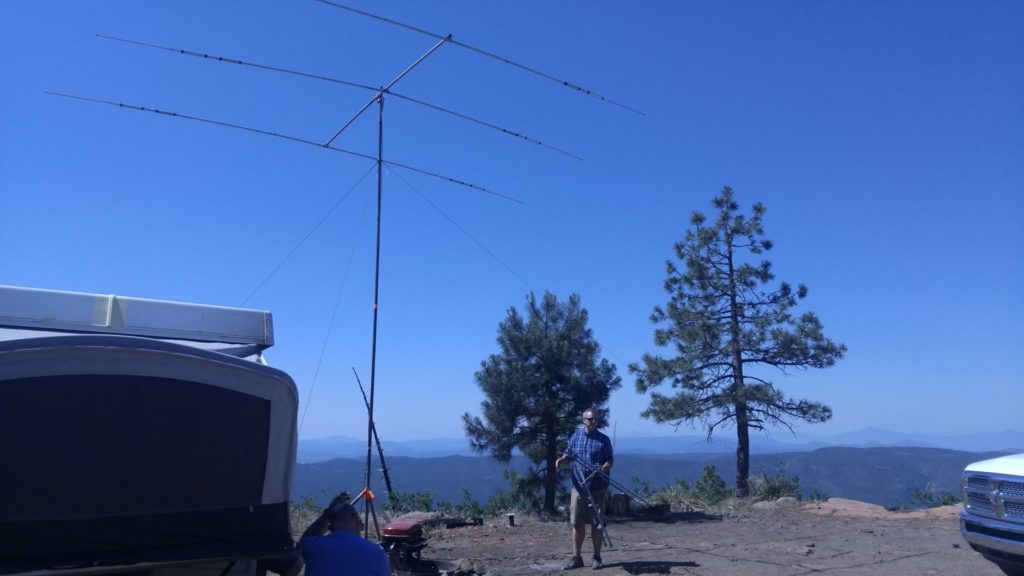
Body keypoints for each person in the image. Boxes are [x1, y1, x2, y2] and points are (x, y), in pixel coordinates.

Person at [555, 408, 614, 570]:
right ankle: (577, 557)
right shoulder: (575, 437)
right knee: (577, 523)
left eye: (595, 419)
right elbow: (568, 455)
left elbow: (610, 461)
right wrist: (561, 461)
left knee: (597, 523)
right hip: (578, 486)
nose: (593, 421)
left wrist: (602, 469)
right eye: (590, 419)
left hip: (597, 487)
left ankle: (597, 557)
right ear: (583, 421)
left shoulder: (604, 439)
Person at [299, 493, 392, 576]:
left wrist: (327, 514)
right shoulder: (376, 553)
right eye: (361, 525)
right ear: (356, 520)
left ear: (330, 528)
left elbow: (305, 539)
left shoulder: (313, 546)